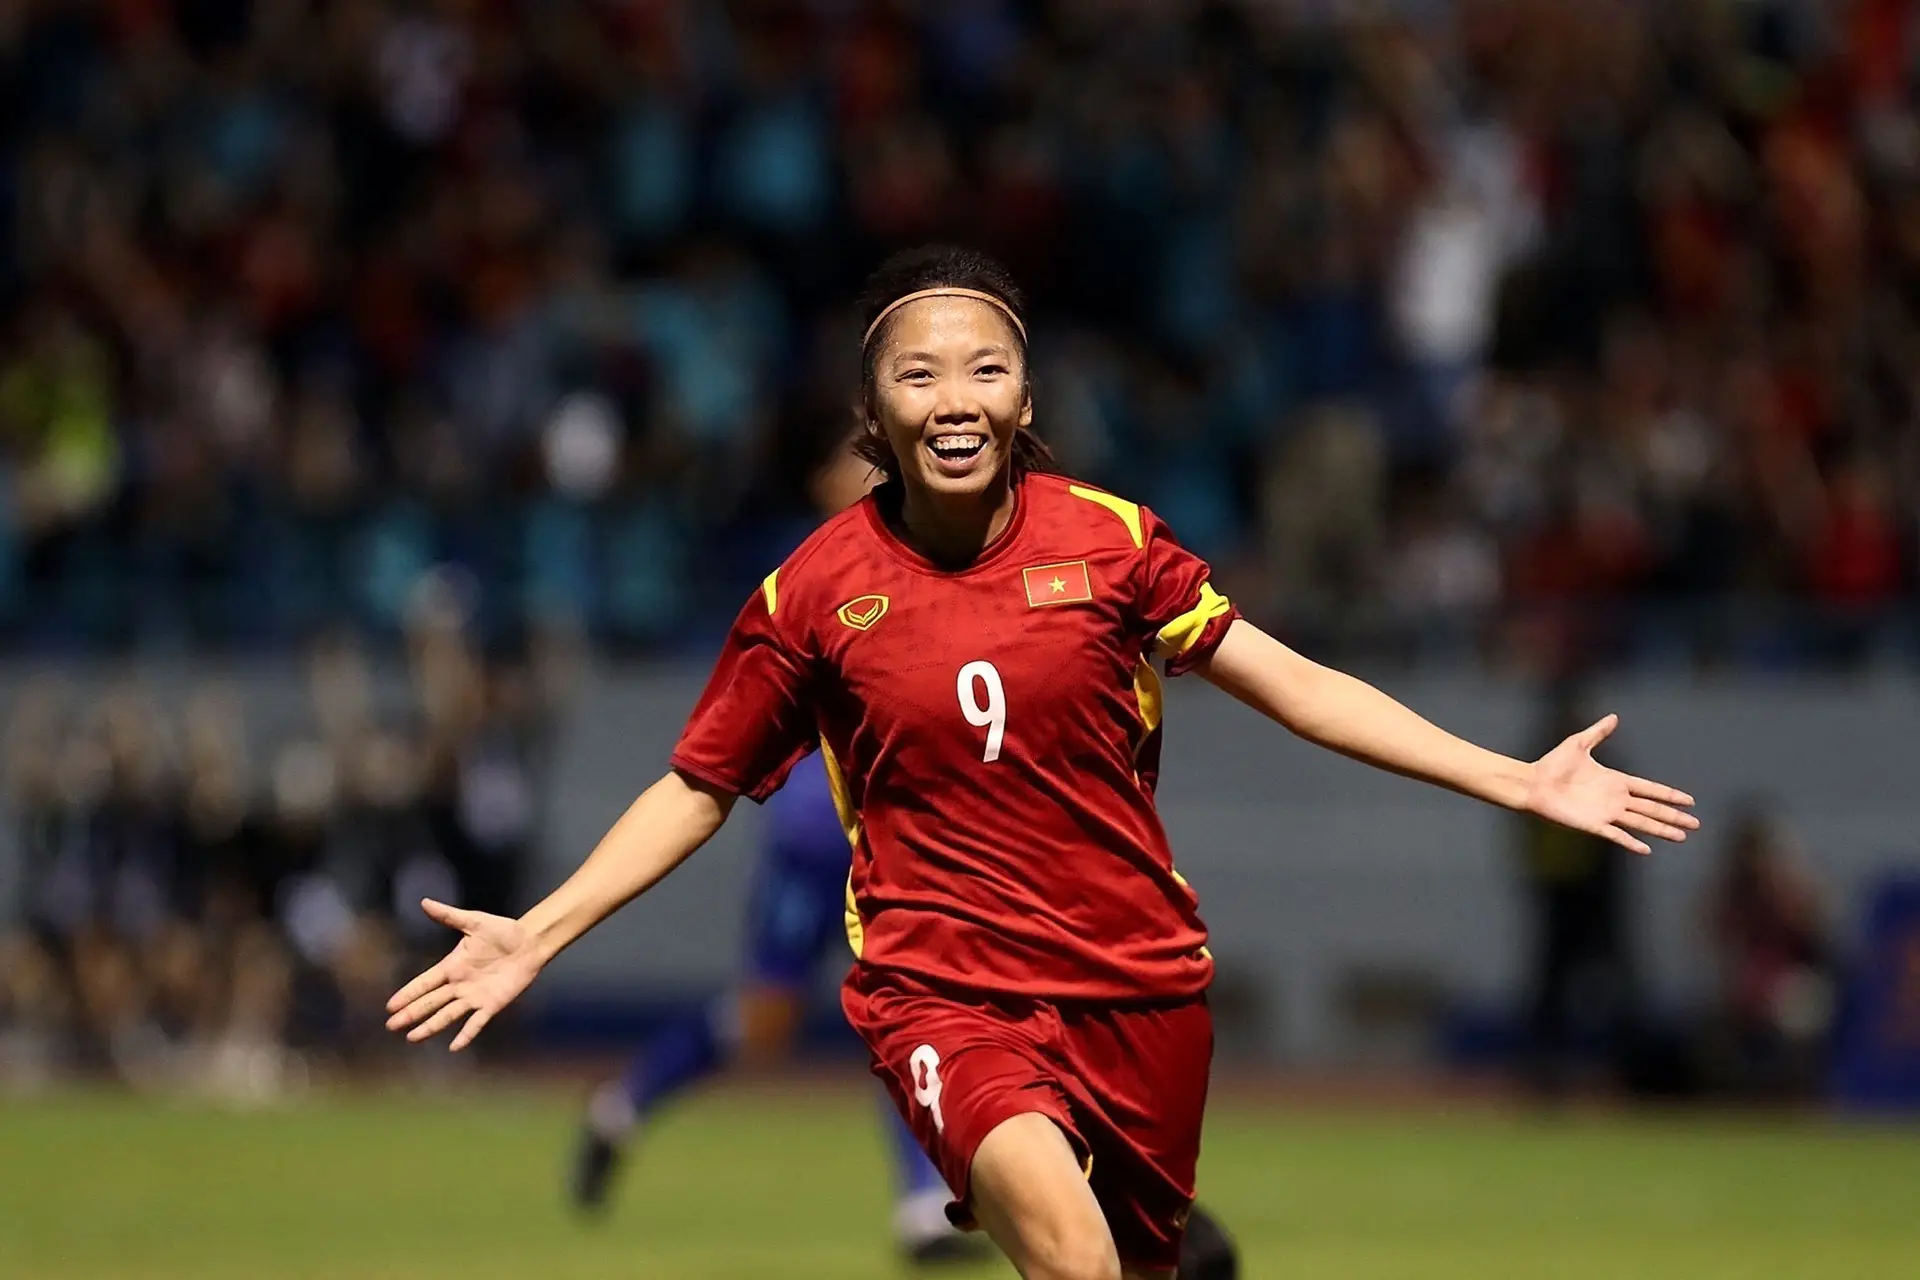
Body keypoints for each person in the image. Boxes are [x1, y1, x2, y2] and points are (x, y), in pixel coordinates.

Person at [387, 245, 1697, 1280]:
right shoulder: (811, 593)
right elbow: (700, 784)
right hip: (944, 992)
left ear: (1025, 397)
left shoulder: (1116, 546)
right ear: (872, 412)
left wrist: (1515, 777)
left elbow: (1295, 686)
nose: (954, 400)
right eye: (919, 376)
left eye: (984, 370)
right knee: (1069, 1258)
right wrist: (541, 932)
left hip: (1139, 989)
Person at [567, 443, 995, 1265]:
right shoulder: (812, 573)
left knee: (909, 1001)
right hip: (811, 829)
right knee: (769, 1016)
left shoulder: (938, 570)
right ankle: (622, 1106)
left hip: (891, 830)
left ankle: (921, 1201)